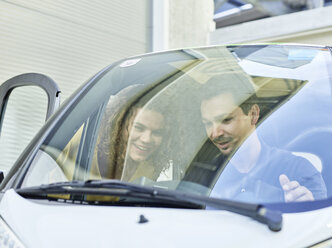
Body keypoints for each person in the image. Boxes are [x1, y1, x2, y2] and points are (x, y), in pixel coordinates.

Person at [190, 73, 327, 203]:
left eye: (226, 120)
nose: (215, 133)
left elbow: (318, 224)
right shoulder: (200, 177)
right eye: (208, 123)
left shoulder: (299, 172)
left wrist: (305, 209)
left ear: (254, 114)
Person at [95, 85, 172, 182]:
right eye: (138, 128)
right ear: (119, 124)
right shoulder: (84, 145)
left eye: (157, 133)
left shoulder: (150, 167)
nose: (146, 139)